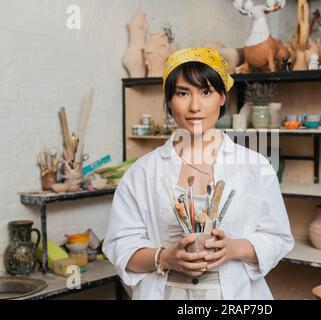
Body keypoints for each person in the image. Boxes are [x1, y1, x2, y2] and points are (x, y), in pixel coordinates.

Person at [103, 47, 294, 300]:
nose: (195, 106)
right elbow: (121, 248)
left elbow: (277, 237)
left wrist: (234, 248)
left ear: (222, 97)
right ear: (169, 101)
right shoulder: (142, 173)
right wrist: (166, 257)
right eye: (183, 93)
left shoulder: (255, 166)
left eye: (206, 92)